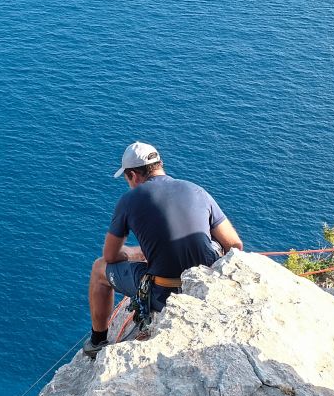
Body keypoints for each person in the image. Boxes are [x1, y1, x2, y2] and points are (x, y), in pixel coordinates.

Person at [83, 141, 243, 358]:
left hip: (164, 294)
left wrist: (134, 253)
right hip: (206, 287)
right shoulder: (196, 190)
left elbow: (110, 256)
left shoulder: (129, 200)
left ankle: (97, 342)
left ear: (132, 175)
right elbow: (234, 245)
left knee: (98, 270)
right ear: (159, 165)